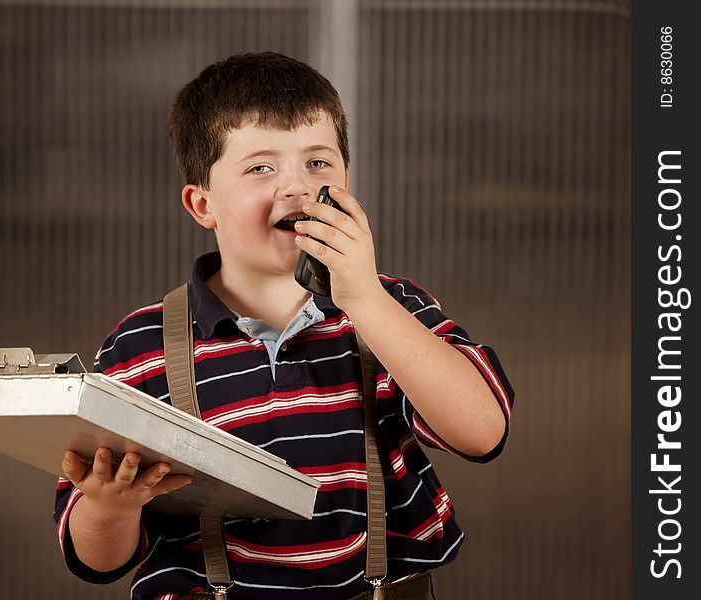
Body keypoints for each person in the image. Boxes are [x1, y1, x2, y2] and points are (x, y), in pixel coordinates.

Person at [55, 51, 514, 600]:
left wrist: (364, 297)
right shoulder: (141, 347)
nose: (296, 187)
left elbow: (483, 432)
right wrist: (110, 507)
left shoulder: (391, 309)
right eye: (261, 167)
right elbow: (95, 560)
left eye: (318, 163)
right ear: (202, 205)